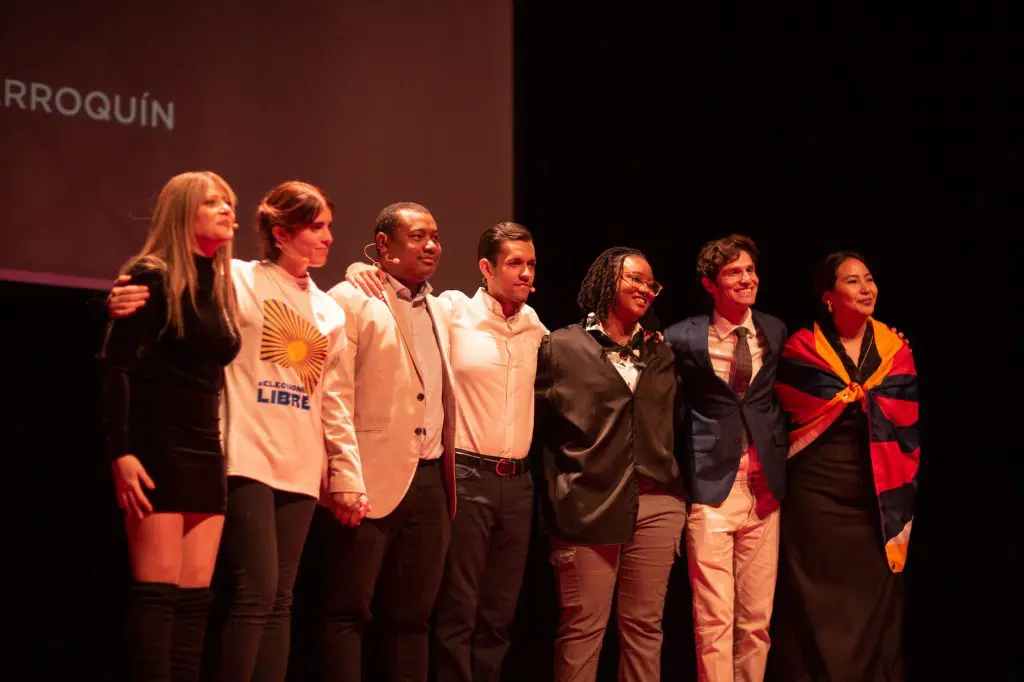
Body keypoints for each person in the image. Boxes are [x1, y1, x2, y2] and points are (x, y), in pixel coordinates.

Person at [107, 181, 357, 682]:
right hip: (242, 450)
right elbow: (164, 297)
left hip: (298, 459)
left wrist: (347, 473)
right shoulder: (238, 278)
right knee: (252, 591)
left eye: (330, 227)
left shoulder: (330, 309)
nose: (329, 238)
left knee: (276, 598)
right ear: (281, 233)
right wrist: (113, 299)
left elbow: (334, 397)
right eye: (316, 226)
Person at [344, 222, 546, 682]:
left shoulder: (535, 326)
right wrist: (361, 268)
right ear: (486, 268)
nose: (525, 273)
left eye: (531, 264)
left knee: (499, 614)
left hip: (518, 483)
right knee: (458, 608)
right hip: (468, 476)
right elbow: (402, 299)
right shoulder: (452, 310)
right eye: (514, 263)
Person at [102, 170, 241, 682]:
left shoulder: (220, 284)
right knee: (158, 594)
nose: (227, 210)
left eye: (229, 202)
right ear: (183, 211)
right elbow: (117, 370)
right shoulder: (152, 275)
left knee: (194, 598)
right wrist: (121, 452)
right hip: (157, 445)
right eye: (213, 202)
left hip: (206, 446)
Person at [533, 246, 685, 682]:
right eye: (634, 279)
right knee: (583, 629)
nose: (645, 289)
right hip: (588, 506)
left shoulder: (661, 353)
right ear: (605, 282)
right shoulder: (561, 347)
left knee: (645, 629)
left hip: (656, 504)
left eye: (651, 284)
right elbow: (540, 428)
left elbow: (672, 421)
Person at [321, 202, 456, 682]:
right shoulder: (350, 298)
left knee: (413, 617)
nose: (432, 246)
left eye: (435, 236)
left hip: (430, 479)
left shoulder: (442, 307)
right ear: (384, 244)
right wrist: (344, 475)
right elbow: (334, 393)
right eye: (418, 236)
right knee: (346, 610)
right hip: (368, 477)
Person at [769, 251, 919, 682]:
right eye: (852, 281)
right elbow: (785, 409)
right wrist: (843, 397)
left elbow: (906, 416)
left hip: (877, 495)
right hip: (817, 495)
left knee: (873, 602)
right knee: (816, 602)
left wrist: (867, 396)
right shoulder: (801, 348)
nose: (866, 288)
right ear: (829, 297)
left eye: (869, 279)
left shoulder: (895, 349)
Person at [663, 234, 788, 682]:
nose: (747, 279)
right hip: (712, 488)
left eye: (750, 270)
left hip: (764, 489)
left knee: (757, 621)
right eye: (734, 272)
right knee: (714, 619)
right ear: (709, 283)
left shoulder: (774, 331)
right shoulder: (682, 337)